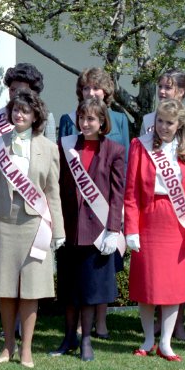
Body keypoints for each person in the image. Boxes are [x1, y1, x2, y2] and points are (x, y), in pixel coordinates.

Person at [0, 89, 64, 368]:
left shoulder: (49, 148)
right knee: (5, 289)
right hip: (4, 223)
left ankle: (26, 348)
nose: (19, 115)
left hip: (35, 225)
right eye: (15, 110)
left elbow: (53, 192)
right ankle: (8, 346)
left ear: (35, 116)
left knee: (31, 289)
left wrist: (59, 230)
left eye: (25, 111)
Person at [125, 99, 185, 362]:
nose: (163, 127)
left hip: (178, 224)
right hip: (149, 221)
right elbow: (131, 193)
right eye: (160, 121)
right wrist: (131, 230)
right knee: (147, 285)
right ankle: (148, 339)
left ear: (179, 124)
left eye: (169, 123)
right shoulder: (140, 146)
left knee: (172, 287)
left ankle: (166, 343)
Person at [56, 67, 130, 339]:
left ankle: (99, 324)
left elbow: (120, 180)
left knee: (99, 276)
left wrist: (116, 224)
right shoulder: (68, 128)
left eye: (96, 88)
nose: (91, 92)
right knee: (75, 280)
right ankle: (74, 331)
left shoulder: (119, 126)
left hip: (102, 211)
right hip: (74, 217)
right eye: (86, 89)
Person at [139, 69, 185, 340]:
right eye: (160, 87)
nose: (163, 92)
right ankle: (154, 328)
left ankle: (177, 324)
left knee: (177, 275)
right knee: (152, 274)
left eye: (169, 87)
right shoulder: (147, 120)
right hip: (153, 208)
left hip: (180, 208)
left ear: (182, 91)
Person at [0, 63, 56, 141]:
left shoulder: (46, 118)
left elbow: (51, 150)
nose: (15, 94)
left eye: (20, 90)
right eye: (12, 89)